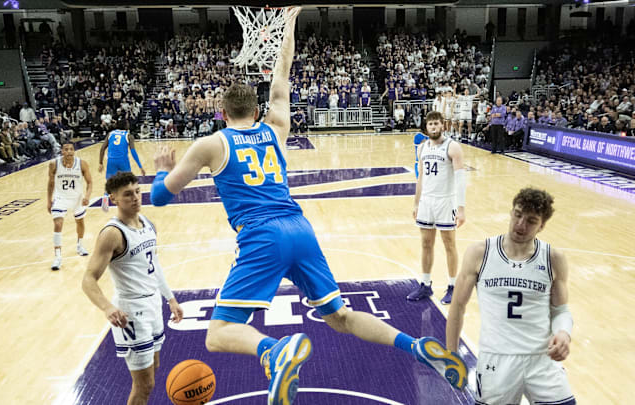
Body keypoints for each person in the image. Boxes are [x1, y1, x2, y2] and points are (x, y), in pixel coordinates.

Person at [148, 9, 467, 405]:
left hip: (262, 235)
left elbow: (160, 197)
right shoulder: (275, 126)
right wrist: (290, 23)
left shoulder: (212, 143)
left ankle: (273, 351)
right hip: (300, 229)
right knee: (340, 317)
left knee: (218, 333)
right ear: (256, 108)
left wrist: (162, 171)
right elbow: (282, 73)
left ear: (224, 113)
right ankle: (417, 346)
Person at [446, 187, 575, 405]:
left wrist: (563, 333)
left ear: (542, 225)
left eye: (531, 221)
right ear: (511, 212)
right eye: (517, 214)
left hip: (541, 360)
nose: (521, 225)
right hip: (496, 360)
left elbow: (560, 310)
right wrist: (451, 355)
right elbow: (458, 306)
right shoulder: (480, 253)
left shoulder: (553, 258)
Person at [82, 171, 184, 405]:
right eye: (128, 195)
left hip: (153, 306)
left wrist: (170, 299)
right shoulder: (112, 234)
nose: (136, 197)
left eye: (137, 191)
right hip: (131, 312)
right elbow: (88, 279)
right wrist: (107, 307)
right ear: (114, 198)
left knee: (154, 370)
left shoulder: (149, 224)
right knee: (144, 384)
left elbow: (154, 266)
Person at [409, 111, 466, 304]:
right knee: (426, 244)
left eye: (436, 124)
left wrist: (461, 208)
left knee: (449, 244)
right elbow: (420, 178)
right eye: (430, 124)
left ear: (443, 125)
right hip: (427, 201)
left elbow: (460, 180)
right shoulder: (422, 147)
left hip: (446, 201)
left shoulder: (453, 147)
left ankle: (452, 286)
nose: (433, 127)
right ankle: (425, 284)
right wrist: (416, 202)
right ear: (426, 127)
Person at [47, 141, 93, 270]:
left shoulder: (82, 163)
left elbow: (90, 183)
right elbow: (50, 183)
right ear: (62, 151)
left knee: (80, 222)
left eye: (71, 149)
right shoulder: (54, 164)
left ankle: (80, 245)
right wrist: (48, 200)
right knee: (57, 224)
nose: (68, 151)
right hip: (60, 197)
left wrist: (87, 197)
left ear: (74, 151)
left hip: (77, 197)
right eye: (66, 149)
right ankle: (57, 257)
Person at [98, 120, 146, 212]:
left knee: (109, 182)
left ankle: (105, 197)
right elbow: (133, 152)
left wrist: (100, 163)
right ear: (126, 126)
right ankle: (129, 202)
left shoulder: (110, 134)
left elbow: (102, 148)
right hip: (123, 161)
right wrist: (140, 166)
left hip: (111, 160)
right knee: (128, 182)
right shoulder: (128, 135)